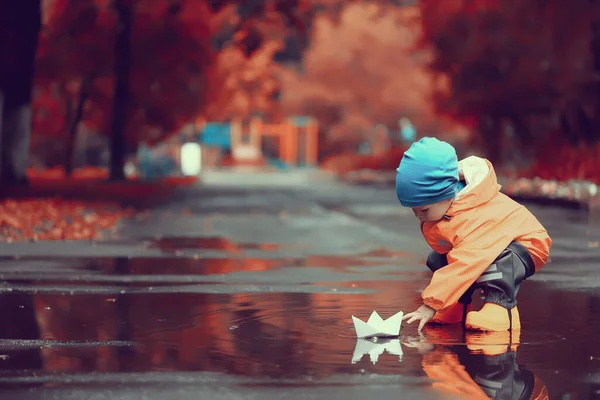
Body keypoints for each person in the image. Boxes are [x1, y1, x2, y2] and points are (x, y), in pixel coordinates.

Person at [396, 137, 552, 332]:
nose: (419, 216)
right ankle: (455, 308)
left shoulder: (473, 214)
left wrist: (431, 304)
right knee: (441, 259)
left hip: (524, 242)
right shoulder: (448, 209)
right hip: (486, 245)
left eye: (424, 210)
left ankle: (502, 309)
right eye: (414, 210)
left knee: (498, 261)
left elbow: (467, 261)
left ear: (447, 195)